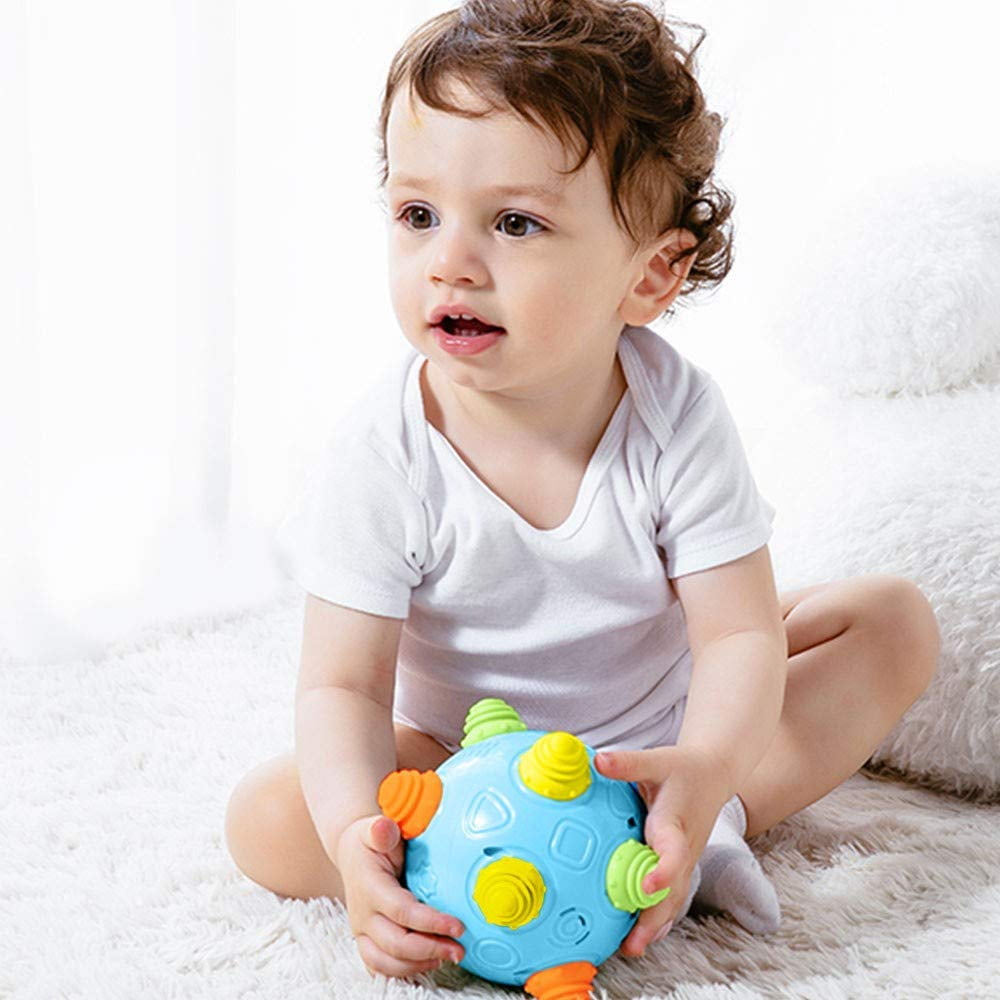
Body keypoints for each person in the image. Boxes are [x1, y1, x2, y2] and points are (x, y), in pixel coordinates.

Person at [225, 0, 942, 985]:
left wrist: (705, 766)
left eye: (514, 223)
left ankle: (697, 826)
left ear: (650, 275)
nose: (450, 262)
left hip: (652, 743)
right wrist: (357, 839)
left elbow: (735, 635)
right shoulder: (382, 450)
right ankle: (480, 869)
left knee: (892, 623)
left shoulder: (675, 414)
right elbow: (342, 684)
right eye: (418, 214)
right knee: (268, 819)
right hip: (460, 760)